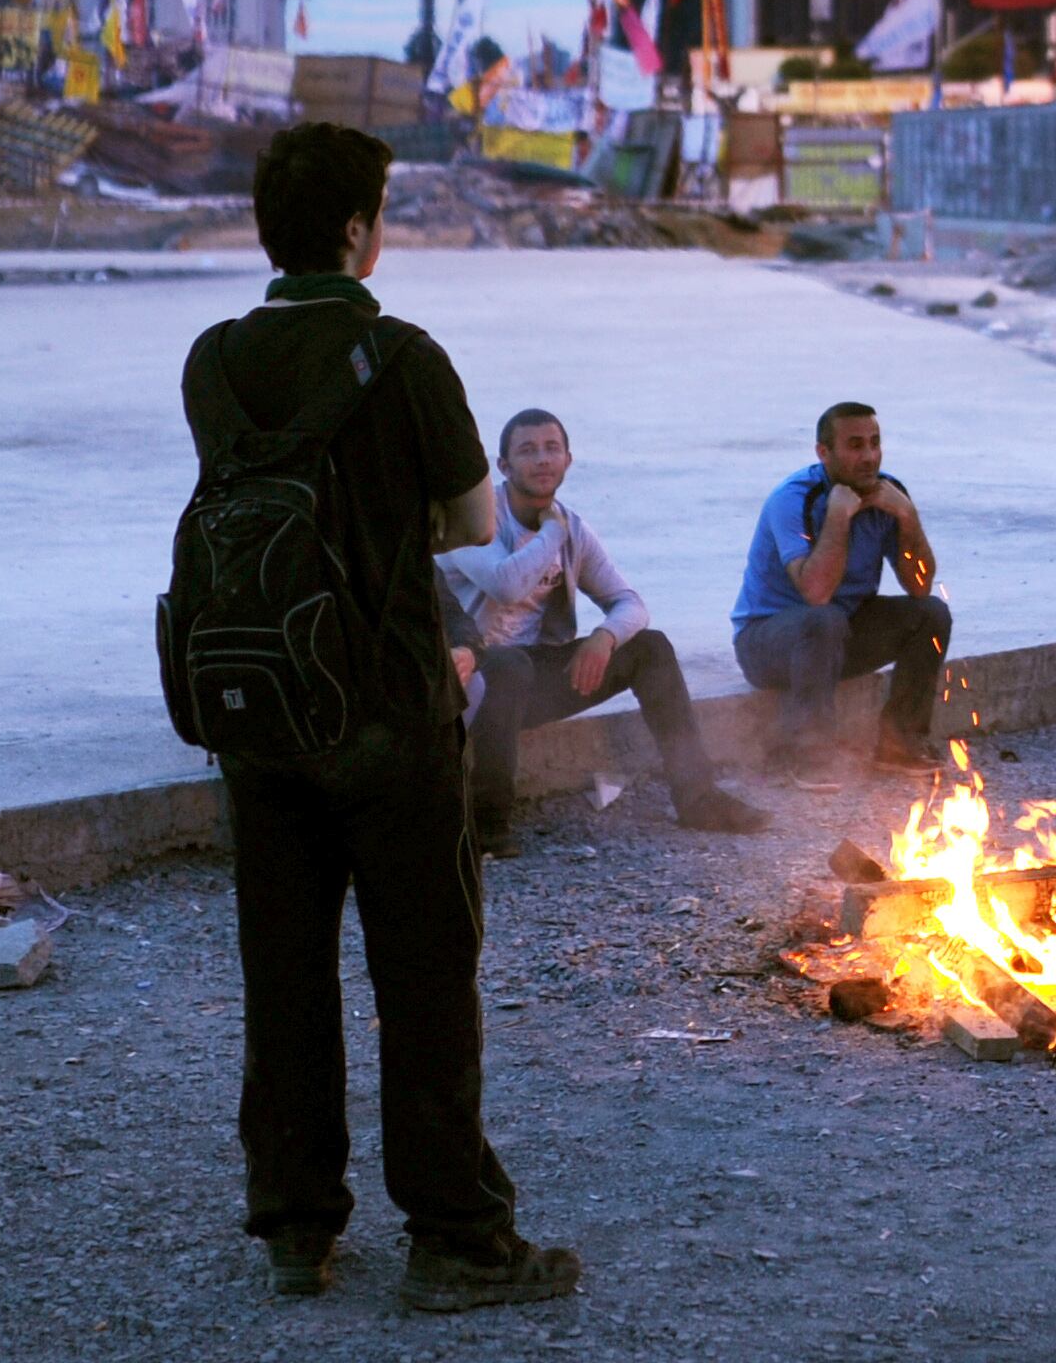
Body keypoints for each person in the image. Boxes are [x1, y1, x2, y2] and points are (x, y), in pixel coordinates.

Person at [182, 120, 578, 1310]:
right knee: (422, 978)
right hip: (390, 713)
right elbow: (467, 522)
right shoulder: (400, 355)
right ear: (357, 230)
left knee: (284, 971)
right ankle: (455, 1239)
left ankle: (296, 1228)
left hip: (259, 707)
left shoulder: (213, 359)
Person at [440, 407, 768, 853]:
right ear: (504, 466)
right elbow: (506, 582)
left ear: (568, 461)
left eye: (552, 449)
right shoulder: (479, 521)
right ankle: (487, 823)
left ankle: (699, 798)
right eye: (527, 451)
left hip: (535, 676)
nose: (542, 460)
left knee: (650, 649)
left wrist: (604, 636)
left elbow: (630, 603)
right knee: (511, 665)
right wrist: (551, 535)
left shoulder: (572, 528)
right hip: (470, 674)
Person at [729, 401, 953, 786]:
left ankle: (900, 742)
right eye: (854, 445)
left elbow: (919, 584)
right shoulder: (794, 500)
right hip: (767, 643)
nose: (868, 457)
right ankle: (809, 756)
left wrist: (907, 517)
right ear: (823, 452)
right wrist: (838, 517)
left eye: (874, 443)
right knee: (823, 617)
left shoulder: (889, 493)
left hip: (838, 634)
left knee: (931, 614)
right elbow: (816, 593)